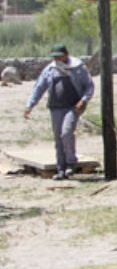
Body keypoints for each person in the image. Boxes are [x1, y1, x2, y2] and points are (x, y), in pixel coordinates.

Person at [24, 44, 94, 180]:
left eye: (58, 56)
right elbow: (39, 87)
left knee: (66, 133)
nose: (56, 59)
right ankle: (61, 169)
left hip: (73, 107)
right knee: (58, 138)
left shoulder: (78, 68)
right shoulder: (50, 69)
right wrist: (30, 105)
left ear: (66, 54)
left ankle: (71, 163)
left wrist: (84, 100)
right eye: (54, 56)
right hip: (55, 108)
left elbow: (89, 86)